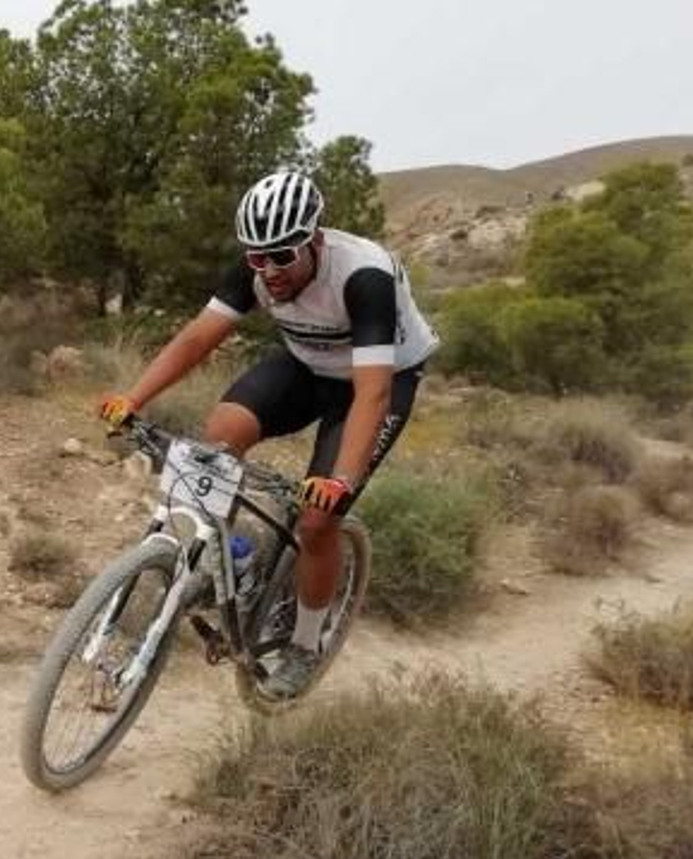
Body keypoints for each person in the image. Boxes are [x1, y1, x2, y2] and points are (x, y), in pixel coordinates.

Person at [99, 171, 439, 699]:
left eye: (284, 255)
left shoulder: (363, 278)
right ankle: (234, 558)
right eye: (258, 256)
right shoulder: (256, 267)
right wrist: (133, 399)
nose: (270, 270)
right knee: (217, 441)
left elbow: (371, 395)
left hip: (379, 380)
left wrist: (340, 480)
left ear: (315, 240)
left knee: (318, 520)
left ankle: (304, 646)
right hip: (308, 365)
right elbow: (196, 339)